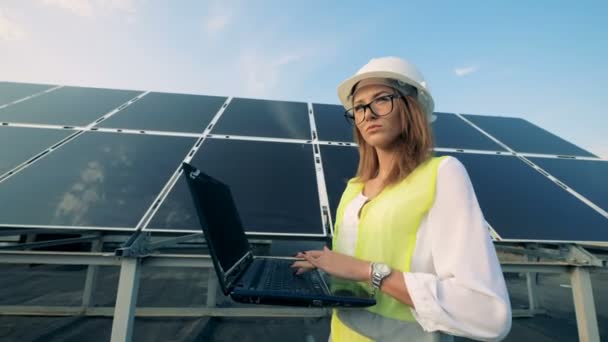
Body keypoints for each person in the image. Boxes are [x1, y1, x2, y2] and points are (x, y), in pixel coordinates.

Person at [291, 57, 512, 341]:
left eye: (381, 99)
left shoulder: (442, 174)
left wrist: (368, 272)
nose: (368, 114)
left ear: (412, 107)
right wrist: (326, 265)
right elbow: (351, 271)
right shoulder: (352, 190)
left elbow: (487, 314)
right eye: (359, 107)